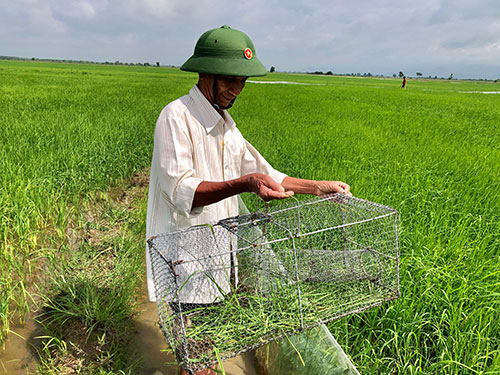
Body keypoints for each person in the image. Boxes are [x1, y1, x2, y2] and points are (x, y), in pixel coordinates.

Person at [146, 25, 351, 375]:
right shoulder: (176, 118)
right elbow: (183, 190)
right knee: (197, 360)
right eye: (230, 79)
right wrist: (245, 183)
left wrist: (317, 187)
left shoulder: (226, 124)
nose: (236, 89)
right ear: (205, 72)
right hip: (184, 259)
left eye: (242, 81)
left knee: (206, 350)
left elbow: (265, 172)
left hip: (217, 259)